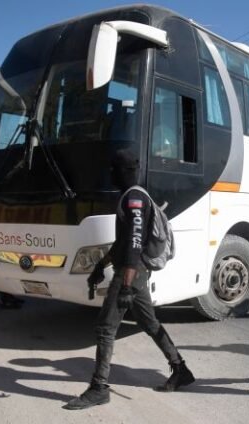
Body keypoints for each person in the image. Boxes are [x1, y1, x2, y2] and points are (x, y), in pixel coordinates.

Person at [64, 150, 194, 410]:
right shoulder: (130, 197)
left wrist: (125, 285)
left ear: (123, 171)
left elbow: (134, 244)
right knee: (149, 322)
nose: (110, 174)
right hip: (135, 272)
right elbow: (122, 243)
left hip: (131, 273)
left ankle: (99, 387)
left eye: (113, 170)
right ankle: (181, 369)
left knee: (105, 328)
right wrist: (100, 266)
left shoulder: (133, 199)